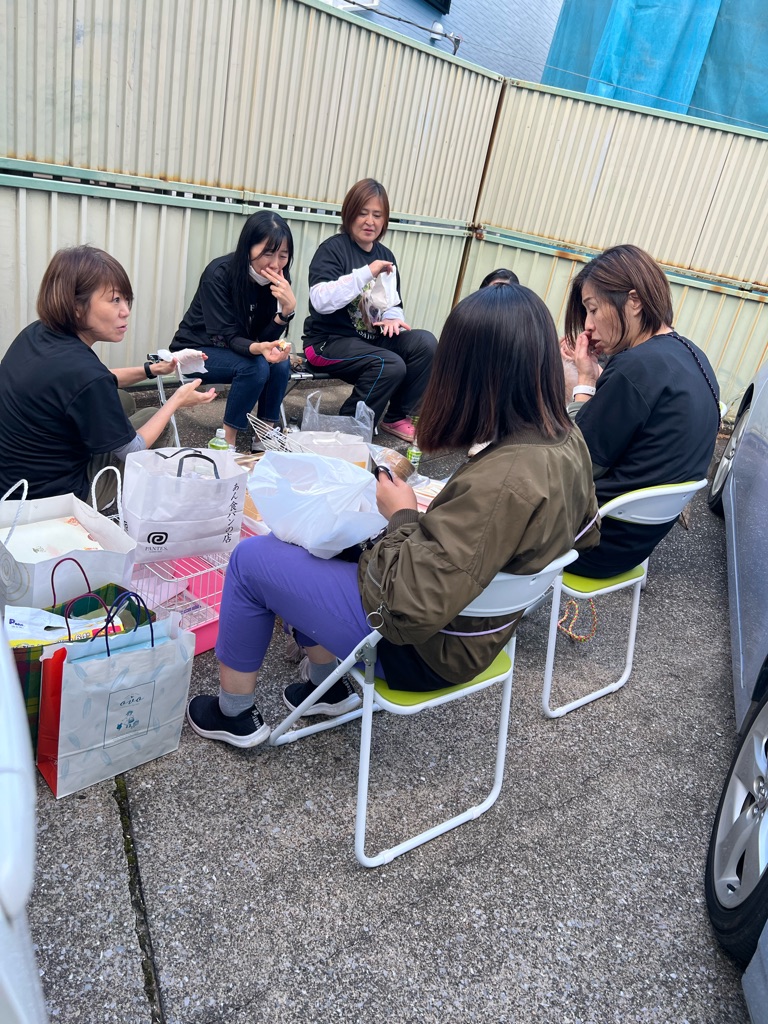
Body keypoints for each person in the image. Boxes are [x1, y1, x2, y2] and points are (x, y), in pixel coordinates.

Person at [186, 284, 600, 748]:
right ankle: (328, 689)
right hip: (480, 633)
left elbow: (405, 605)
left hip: (423, 648)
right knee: (324, 543)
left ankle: (233, 714)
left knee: (251, 561)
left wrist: (402, 516)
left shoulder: (502, 478)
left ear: (474, 371)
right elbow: (585, 534)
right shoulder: (567, 439)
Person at [0, 246, 217, 512]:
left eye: (126, 299)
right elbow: (133, 450)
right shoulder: (83, 371)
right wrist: (176, 401)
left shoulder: (37, 334)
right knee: (154, 419)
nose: (125, 311)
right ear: (76, 306)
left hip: (13, 481)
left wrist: (152, 370)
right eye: (115, 300)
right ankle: (120, 509)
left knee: (122, 399)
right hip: (53, 498)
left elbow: (91, 383)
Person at [561, 243, 721, 578]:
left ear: (634, 301)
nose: (587, 325)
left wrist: (585, 382)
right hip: (635, 544)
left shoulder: (635, 367)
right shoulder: (694, 357)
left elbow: (574, 463)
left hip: (586, 541)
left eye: (592, 309)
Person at [302, 178, 438, 443]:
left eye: (377, 215)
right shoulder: (332, 250)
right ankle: (350, 429)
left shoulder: (386, 255)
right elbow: (320, 301)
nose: (370, 221)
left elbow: (392, 303)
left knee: (426, 343)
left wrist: (393, 319)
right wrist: (366, 272)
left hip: (370, 340)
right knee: (390, 364)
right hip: (328, 342)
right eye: (363, 213)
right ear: (349, 214)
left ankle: (396, 417)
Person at [170, 210, 295, 447]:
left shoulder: (276, 282)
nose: (275, 264)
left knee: (280, 362)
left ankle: (264, 435)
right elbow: (228, 337)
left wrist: (285, 313)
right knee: (255, 366)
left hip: (239, 350)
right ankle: (227, 442)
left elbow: (263, 339)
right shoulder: (219, 274)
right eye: (268, 253)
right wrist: (259, 348)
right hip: (197, 350)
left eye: (283, 255)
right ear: (248, 247)